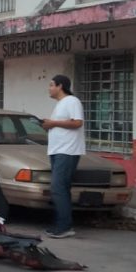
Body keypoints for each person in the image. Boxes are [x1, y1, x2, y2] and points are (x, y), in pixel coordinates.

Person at [41, 74, 85, 239]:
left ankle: (64, 226)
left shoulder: (72, 101)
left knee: (58, 188)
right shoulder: (60, 104)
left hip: (67, 151)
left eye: (52, 85)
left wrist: (54, 123)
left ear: (60, 86)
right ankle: (62, 224)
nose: (49, 88)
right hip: (57, 150)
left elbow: (77, 122)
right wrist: (48, 125)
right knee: (62, 189)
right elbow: (62, 125)